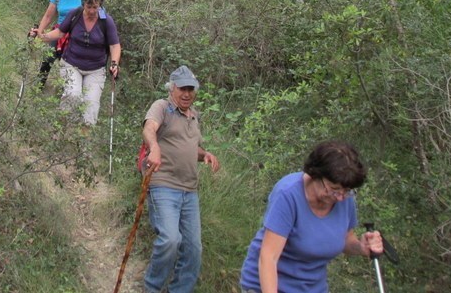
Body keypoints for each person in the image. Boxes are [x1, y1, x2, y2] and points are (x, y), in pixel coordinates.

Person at [239, 141, 384, 293]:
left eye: (347, 190)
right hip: (266, 285)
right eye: (334, 189)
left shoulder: (345, 199)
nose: (340, 197)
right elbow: (269, 257)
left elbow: (345, 239)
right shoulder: (288, 194)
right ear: (315, 175)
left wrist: (361, 247)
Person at [141, 65, 220, 293]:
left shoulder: (194, 116)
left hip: (190, 191)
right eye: (182, 89)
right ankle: (152, 288)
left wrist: (205, 154)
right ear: (172, 88)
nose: (187, 94)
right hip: (163, 185)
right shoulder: (162, 107)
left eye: (191, 89)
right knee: (170, 240)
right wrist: (154, 146)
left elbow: (190, 147)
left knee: (194, 248)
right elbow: (149, 128)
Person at [38, 0, 120, 125]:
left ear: (100, 5)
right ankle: (63, 131)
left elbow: (114, 45)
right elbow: (60, 33)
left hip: (96, 69)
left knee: (91, 106)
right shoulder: (75, 14)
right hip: (71, 63)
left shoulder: (106, 21)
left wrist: (114, 63)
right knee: (72, 95)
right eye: (89, 7)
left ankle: (82, 141)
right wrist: (41, 36)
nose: (92, 11)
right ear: (83, 4)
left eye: (96, 7)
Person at [29, 0, 82, 86]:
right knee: (48, 57)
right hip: (59, 30)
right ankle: (39, 85)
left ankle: (67, 87)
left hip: (76, 32)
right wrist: (40, 32)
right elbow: (48, 16)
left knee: (70, 63)